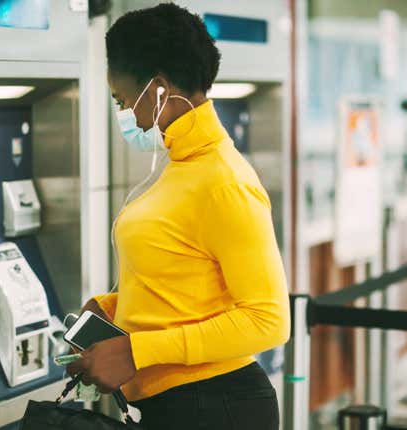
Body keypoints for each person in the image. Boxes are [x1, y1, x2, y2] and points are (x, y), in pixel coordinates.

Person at [67, 3, 290, 429]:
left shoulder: (225, 182)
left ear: (158, 90)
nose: (126, 114)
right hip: (178, 406)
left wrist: (136, 351)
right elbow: (185, 284)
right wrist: (113, 309)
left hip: (218, 404)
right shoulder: (183, 166)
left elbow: (269, 320)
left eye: (123, 99)